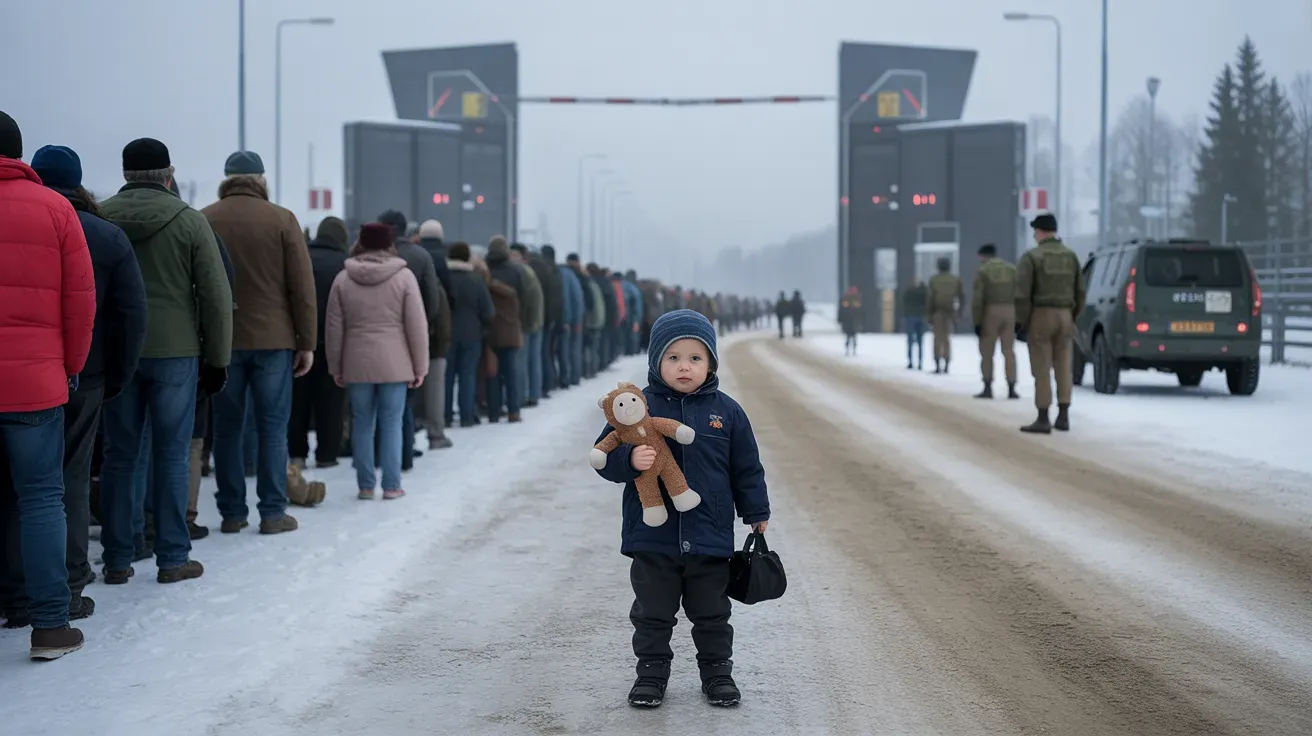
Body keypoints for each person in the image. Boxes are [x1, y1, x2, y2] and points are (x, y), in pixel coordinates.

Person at [592, 309, 770, 709]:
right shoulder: (633, 406)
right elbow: (603, 459)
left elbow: (746, 468)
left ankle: (717, 673)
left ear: (710, 364)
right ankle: (651, 674)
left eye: (695, 358)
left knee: (712, 612)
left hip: (709, 532)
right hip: (652, 535)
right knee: (652, 612)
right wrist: (628, 461)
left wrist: (756, 510)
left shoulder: (727, 412)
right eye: (673, 357)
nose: (684, 367)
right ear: (656, 361)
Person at [16, 146, 147, 625]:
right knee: (66, 479)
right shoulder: (101, 233)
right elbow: (129, 312)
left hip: (25, 375)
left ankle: (15, 591)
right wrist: (116, 374)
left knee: (17, 485)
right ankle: (68, 582)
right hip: (80, 374)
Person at [100, 138, 232, 585]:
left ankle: (117, 558)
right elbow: (215, 295)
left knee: (121, 455)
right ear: (169, 175)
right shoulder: (190, 221)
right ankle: (173, 557)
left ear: (125, 174)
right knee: (172, 455)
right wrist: (218, 359)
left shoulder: (100, 217)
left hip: (119, 353)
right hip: (177, 352)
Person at [0, 114, 96, 659]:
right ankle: (50, 627)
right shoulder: (56, 209)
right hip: (37, 381)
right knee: (40, 499)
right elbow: (80, 303)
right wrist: (70, 365)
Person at [201, 151, 313, 535]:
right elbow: (301, 287)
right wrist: (306, 342)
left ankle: (232, 512)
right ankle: (272, 512)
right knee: (272, 428)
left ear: (227, 178)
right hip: (274, 339)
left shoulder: (205, 218)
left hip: (224, 340)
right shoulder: (282, 219)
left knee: (227, 429)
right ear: (261, 179)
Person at [325, 223, 428, 500]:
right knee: (392, 423)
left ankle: (366, 485)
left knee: (361, 423)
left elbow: (334, 328)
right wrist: (420, 366)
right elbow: (416, 326)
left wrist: (336, 365)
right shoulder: (404, 277)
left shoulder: (343, 279)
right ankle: (392, 485)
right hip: (396, 363)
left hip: (356, 361)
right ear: (389, 244)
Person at [377, 210, 441, 470]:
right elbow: (433, 300)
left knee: (372, 402)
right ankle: (403, 455)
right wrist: (422, 324)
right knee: (404, 399)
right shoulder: (421, 256)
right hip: (410, 335)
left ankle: (375, 455)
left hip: (373, 336)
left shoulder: (368, 254)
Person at [1015, 213, 1086, 434]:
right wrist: (1072, 315)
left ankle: (1043, 417)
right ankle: (1063, 415)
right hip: (1066, 315)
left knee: (1042, 367)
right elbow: (1080, 291)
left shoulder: (1032, 257)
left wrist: (1021, 321)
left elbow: (1022, 293)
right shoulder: (1071, 256)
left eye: (1035, 231)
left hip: (1041, 315)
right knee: (1064, 366)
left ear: (1039, 231)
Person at [288, 217, 350, 468]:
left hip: (300, 341)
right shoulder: (345, 264)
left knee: (298, 401)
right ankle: (327, 454)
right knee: (331, 401)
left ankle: (297, 454)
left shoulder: (302, 258)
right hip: (335, 343)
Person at [444, 242, 494, 428]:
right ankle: (467, 415)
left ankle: (445, 415)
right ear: (467, 258)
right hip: (472, 334)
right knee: (468, 374)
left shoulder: (443, 278)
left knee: (447, 376)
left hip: (446, 334)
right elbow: (488, 311)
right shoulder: (476, 280)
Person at [416, 220, 455, 448]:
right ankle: (436, 432)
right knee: (435, 384)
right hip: (436, 328)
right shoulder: (443, 258)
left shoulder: (413, 255)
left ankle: (411, 431)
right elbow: (449, 295)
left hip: (408, 328)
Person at [478, 248, 524, 423]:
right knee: (511, 374)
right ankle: (514, 411)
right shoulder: (514, 282)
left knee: (492, 374)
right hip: (511, 333)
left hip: (492, 333)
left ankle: (494, 411)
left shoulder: (486, 282)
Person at [971, 243, 1020, 400]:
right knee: (1009, 351)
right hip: (1010, 311)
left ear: (982, 256)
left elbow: (978, 299)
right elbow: (1020, 293)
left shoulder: (983, 271)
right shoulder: (1012, 269)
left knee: (987, 352)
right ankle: (1011, 387)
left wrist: (977, 321)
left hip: (990, 312)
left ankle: (987, 387)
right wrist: (1019, 317)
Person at [509, 243, 545, 407]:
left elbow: (526, 301)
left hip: (527, 322)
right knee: (533, 360)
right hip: (536, 320)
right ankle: (533, 393)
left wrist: (524, 322)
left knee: (522, 361)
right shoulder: (529, 271)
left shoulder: (522, 272)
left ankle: (522, 395)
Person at [527, 245, 563, 400]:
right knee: (546, 353)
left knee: (539, 354)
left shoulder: (536, 272)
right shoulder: (553, 272)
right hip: (550, 318)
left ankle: (542, 386)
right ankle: (548, 384)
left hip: (539, 318)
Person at [927, 258, 963, 374]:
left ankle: (937, 364)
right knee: (947, 339)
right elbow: (961, 297)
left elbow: (930, 299)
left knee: (937, 339)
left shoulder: (934, 279)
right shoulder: (956, 280)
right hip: (950, 312)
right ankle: (947, 363)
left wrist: (929, 315)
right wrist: (959, 313)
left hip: (937, 312)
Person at [901, 277, 929, 370]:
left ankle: (912, 362)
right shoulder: (923, 291)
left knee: (911, 341)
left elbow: (904, 301)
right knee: (919, 341)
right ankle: (918, 362)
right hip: (919, 316)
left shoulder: (909, 291)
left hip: (912, 317)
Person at [838, 285, 862, 356]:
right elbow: (860, 311)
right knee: (853, 336)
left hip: (848, 321)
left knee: (848, 336)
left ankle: (848, 349)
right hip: (853, 321)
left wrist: (840, 320)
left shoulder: (846, 298)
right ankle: (853, 349)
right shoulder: (858, 298)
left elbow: (842, 310)